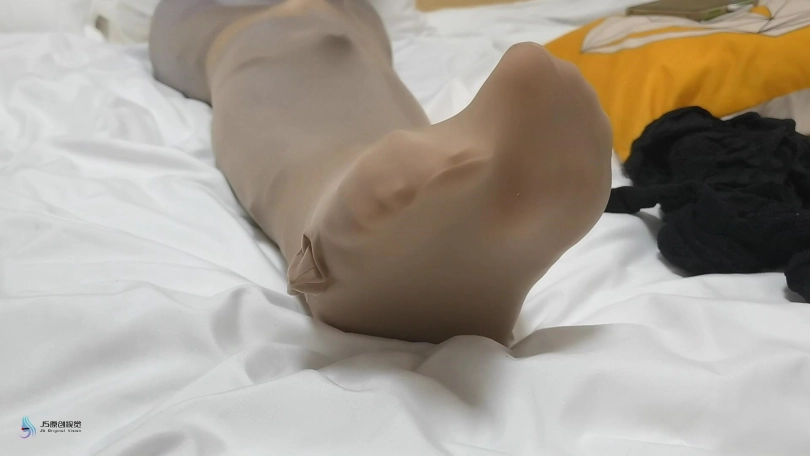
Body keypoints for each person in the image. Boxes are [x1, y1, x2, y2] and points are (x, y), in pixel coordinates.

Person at [149, 0, 612, 345]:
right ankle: (344, 220)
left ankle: (362, 216)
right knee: (288, 49)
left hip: (341, 27)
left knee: (327, 57)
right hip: (248, 28)